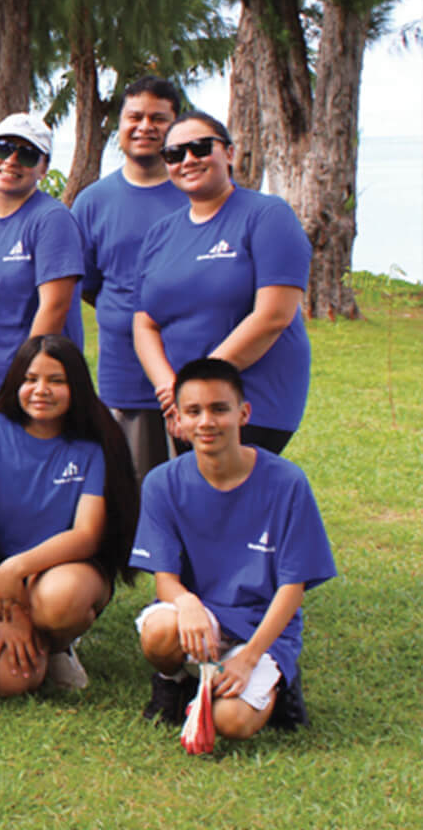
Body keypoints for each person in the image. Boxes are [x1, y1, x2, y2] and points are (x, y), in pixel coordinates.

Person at [131, 358, 334, 738]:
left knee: (232, 724)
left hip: (261, 629)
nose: (206, 421)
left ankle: (276, 684)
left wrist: (251, 657)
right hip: (203, 619)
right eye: (193, 411)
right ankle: (173, 684)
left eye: (219, 409)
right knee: (159, 629)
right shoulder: (162, 484)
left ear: (243, 414)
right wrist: (188, 603)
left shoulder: (286, 483)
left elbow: (294, 588)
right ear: (179, 420)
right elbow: (166, 581)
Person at [0, 335, 139, 696]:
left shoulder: (92, 442)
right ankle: (34, 641)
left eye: (56, 381)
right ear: (15, 382)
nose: (41, 390)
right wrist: (8, 599)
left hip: (68, 570)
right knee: (8, 683)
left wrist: (17, 567)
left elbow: (86, 535)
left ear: (76, 387)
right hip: (0, 578)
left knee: (58, 602)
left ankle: (57, 644)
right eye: (31, 379)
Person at [132, 112, 310, 453]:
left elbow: (273, 315)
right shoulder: (160, 234)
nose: (187, 160)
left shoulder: (267, 215)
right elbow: (144, 322)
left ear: (228, 153)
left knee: (239, 500)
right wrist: (172, 390)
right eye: (174, 154)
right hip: (184, 405)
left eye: (199, 148)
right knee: (197, 501)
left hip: (252, 401)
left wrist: (197, 387)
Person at [72, 77, 185, 480]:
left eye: (159, 118)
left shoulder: (196, 193)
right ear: (119, 125)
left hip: (194, 372)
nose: (145, 127)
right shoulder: (92, 202)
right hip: (126, 377)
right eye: (134, 117)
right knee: (133, 492)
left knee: (196, 493)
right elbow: (88, 285)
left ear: (177, 124)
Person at [0, 113, 85, 415]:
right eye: (1, 149)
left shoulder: (52, 220)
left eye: (27, 154)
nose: (11, 160)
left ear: (43, 168)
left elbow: (54, 308)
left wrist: (23, 380)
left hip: (37, 389)